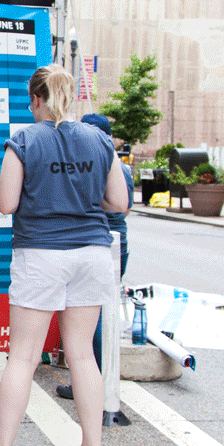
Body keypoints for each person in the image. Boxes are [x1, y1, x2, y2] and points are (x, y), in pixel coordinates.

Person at [0, 65, 130, 446]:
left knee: (22, 355)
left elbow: (6, 203)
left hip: (40, 253)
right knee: (81, 354)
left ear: (36, 100)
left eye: (29, 99)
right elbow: (119, 202)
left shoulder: (24, 139)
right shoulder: (99, 140)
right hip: (92, 254)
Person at [56, 112, 132, 401]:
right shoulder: (114, 163)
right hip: (107, 243)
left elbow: (121, 207)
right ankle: (93, 383)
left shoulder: (108, 162)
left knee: (93, 319)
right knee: (94, 315)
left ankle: (91, 384)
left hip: (103, 242)